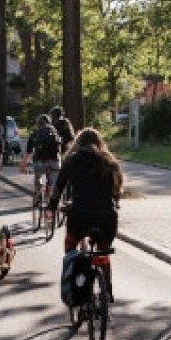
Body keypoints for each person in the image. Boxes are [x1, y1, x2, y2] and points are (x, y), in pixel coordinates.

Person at [50, 128, 124, 299]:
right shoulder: (109, 161)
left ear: (78, 143)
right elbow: (117, 190)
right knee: (103, 251)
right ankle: (107, 291)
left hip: (79, 215)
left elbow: (58, 188)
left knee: (70, 245)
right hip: (106, 216)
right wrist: (115, 203)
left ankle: (74, 283)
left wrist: (52, 207)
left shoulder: (71, 161)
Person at [20, 114, 63, 210]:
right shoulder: (54, 132)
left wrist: (23, 165)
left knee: (38, 176)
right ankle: (52, 198)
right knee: (53, 182)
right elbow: (60, 149)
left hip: (40, 162)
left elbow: (28, 152)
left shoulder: (35, 133)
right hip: (55, 162)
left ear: (37, 124)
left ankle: (39, 193)